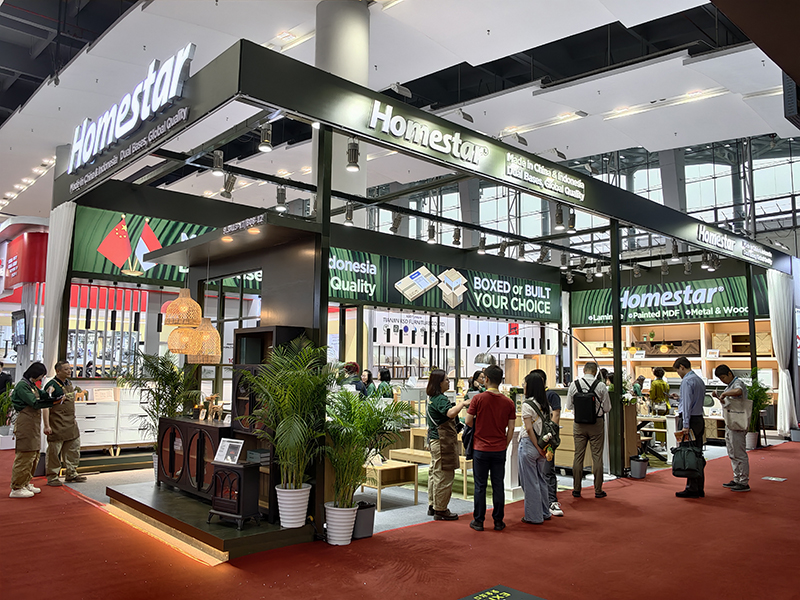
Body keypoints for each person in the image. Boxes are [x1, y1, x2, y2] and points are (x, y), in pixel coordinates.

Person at [465, 364, 516, 531]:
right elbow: (511, 428)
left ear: (486, 379)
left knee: (480, 485)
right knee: (498, 485)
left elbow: (468, 421)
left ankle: (479, 521)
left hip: (480, 448)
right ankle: (498, 521)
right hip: (499, 448)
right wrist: (505, 444)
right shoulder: (509, 402)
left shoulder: (478, 399)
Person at [9, 362, 64, 498]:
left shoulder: (31, 385)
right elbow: (34, 402)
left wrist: (51, 392)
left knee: (34, 454)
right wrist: (53, 402)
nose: (41, 378)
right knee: (25, 454)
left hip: (33, 423)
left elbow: (42, 395)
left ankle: (25, 482)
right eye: (41, 375)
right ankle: (17, 487)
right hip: (25, 423)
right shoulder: (22, 386)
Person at [425, 369, 468, 521]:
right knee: (444, 475)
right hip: (442, 442)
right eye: (446, 380)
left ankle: (433, 505)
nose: (449, 382)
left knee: (435, 473)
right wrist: (462, 404)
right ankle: (441, 509)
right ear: (439, 383)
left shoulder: (432, 398)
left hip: (435, 441)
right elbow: (450, 413)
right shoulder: (440, 399)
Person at [565, 361, 611, 498]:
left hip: (579, 424)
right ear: (595, 372)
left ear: (584, 370)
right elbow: (607, 408)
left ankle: (576, 489)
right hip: (596, 423)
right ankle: (598, 490)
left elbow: (569, 406)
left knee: (578, 455)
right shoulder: (601, 386)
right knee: (597, 456)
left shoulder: (574, 385)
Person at [42, 361, 87, 487]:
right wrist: (46, 425)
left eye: (70, 369)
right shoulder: (51, 386)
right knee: (54, 452)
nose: (69, 371)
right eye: (66, 369)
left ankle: (71, 473)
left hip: (71, 423)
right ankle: (52, 476)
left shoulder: (68, 383)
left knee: (74, 449)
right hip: (57, 423)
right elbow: (45, 407)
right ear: (58, 371)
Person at [518, 373, 553, 524]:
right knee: (541, 479)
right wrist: (541, 448)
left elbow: (529, 428)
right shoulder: (546, 405)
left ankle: (533, 516)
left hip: (529, 444)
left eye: (525, 384)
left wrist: (537, 446)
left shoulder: (527, 405)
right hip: (543, 445)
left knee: (530, 482)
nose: (523, 386)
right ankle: (545, 512)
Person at [670, 357, 706, 498]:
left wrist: (685, 425)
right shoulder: (699, 380)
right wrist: (680, 398)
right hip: (698, 419)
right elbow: (692, 401)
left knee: (688, 454)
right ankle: (699, 486)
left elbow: (686, 406)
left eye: (677, 370)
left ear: (682, 367)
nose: (678, 373)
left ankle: (691, 488)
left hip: (689, 421)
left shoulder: (686, 381)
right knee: (697, 453)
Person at [530, 369, 564, 517]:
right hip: (533, 439)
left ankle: (552, 501)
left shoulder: (551, 395)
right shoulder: (531, 399)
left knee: (548, 470)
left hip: (547, 439)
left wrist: (550, 434)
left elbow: (556, 416)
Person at [713, 365, 751, 492]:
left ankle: (743, 481)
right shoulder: (728, 386)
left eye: (723, 377)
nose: (722, 380)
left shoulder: (737, 383)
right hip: (730, 422)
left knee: (739, 453)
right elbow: (729, 403)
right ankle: (737, 478)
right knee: (732, 452)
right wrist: (719, 397)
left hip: (738, 423)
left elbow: (738, 391)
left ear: (730, 373)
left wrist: (724, 393)